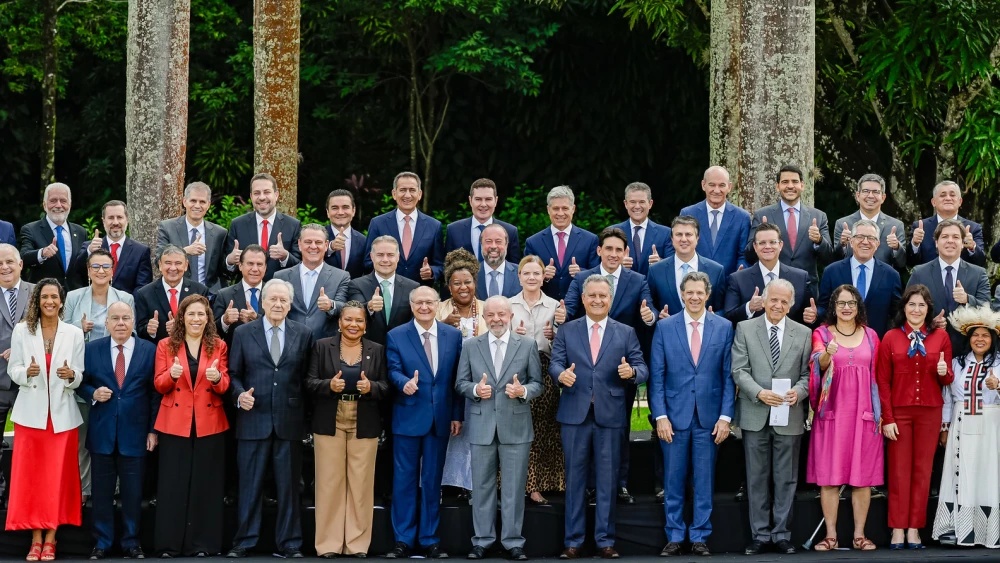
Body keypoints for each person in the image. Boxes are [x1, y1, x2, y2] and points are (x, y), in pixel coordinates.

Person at [550, 275, 646, 559]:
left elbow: (642, 367)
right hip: (574, 415)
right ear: (583, 298)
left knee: (607, 480)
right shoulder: (567, 330)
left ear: (610, 299)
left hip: (610, 415)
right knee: (575, 480)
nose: (597, 300)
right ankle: (573, 541)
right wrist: (561, 375)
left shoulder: (626, 332)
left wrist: (632, 373)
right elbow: (555, 363)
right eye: (592, 295)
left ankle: (605, 540)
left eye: (603, 296)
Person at [562, 226, 653, 504]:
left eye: (618, 250)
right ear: (599, 250)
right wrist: (559, 317)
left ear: (625, 253)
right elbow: (569, 310)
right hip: (586, 367)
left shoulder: (637, 280)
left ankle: (619, 483)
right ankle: (590, 484)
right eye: (608, 249)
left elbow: (647, 312)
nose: (613, 254)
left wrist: (649, 318)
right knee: (585, 428)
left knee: (619, 429)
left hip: (620, 368)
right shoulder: (583, 278)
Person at [226, 279, 315, 558]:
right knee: (250, 486)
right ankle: (244, 541)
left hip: (289, 421)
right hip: (253, 419)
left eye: (283, 300)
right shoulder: (243, 333)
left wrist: (307, 421)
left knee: (289, 487)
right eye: (273, 299)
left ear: (290, 305)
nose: (278, 304)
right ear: (262, 302)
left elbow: (307, 378)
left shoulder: (304, 333)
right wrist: (240, 395)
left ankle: (290, 543)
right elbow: (233, 374)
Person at [649, 271, 733, 557]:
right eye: (690, 292)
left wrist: (726, 417)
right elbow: (657, 376)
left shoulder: (723, 327)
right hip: (673, 418)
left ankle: (699, 536)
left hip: (709, 418)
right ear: (682, 295)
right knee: (673, 480)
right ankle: (674, 536)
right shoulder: (665, 327)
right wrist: (660, 416)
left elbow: (728, 376)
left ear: (707, 295)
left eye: (700, 292)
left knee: (704, 480)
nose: (695, 297)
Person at [455, 296, 542, 561]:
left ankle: (513, 542)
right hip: (482, 425)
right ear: (484, 317)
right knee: (481, 487)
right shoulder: (471, 346)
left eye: (501, 314)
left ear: (510, 316)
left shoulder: (527, 345)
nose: (496, 319)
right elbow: (460, 383)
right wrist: (475, 390)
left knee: (514, 488)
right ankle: (482, 540)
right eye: (491, 315)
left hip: (516, 426)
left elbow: (537, 383)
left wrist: (522, 391)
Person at [5, 279, 85, 561]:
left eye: (54, 297)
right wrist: (26, 372)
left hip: (62, 419)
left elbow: (79, 374)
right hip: (31, 418)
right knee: (32, 481)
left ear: (62, 301)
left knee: (56, 481)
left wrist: (71, 376)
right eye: (44, 297)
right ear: (37, 301)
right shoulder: (22, 330)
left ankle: (50, 539)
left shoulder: (74, 333)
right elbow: (13, 368)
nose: (49, 301)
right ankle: (35, 539)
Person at [730, 279, 811, 555]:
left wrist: (799, 392)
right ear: (763, 301)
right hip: (755, 413)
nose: (778, 305)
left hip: (789, 415)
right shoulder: (745, 328)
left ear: (791, 305)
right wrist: (759, 393)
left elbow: (807, 374)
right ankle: (760, 535)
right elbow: (739, 370)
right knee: (756, 478)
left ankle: (781, 534)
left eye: (784, 301)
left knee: (786, 478)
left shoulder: (804, 333)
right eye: (773, 299)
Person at [384, 286, 463, 559]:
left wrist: (457, 414)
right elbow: (392, 369)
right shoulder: (396, 335)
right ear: (411, 305)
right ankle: (403, 540)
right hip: (407, 417)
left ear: (438, 304)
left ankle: (430, 539)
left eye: (429, 302)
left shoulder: (453, 335)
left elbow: (456, 379)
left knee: (432, 481)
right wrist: (403, 383)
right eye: (419, 303)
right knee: (404, 480)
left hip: (440, 418)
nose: (425, 307)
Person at [305, 300, 389, 557]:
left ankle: (356, 545)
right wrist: (328, 386)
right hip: (329, 419)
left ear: (366, 325)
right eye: (348, 319)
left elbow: (386, 386)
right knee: (328, 483)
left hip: (364, 420)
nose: (354, 324)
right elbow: (309, 382)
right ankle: (328, 545)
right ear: (339, 323)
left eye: (359, 320)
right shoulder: (322, 346)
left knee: (361, 485)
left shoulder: (377, 349)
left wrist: (371, 388)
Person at [152, 294, 230, 557]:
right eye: (191, 314)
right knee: (172, 485)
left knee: (206, 486)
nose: (196, 319)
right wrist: (171, 375)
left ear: (208, 318)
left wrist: (217, 378)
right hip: (175, 423)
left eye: (201, 314)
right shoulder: (165, 345)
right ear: (181, 318)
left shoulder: (218, 345)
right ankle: (169, 545)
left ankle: (203, 545)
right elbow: (158, 384)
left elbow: (225, 386)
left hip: (210, 423)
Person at [876, 284, 953, 549]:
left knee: (922, 471)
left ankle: (914, 529)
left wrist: (943, 371)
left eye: (922, 305)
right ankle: (898, 528)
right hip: (899, 412)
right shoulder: (891, 338)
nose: (917, 310)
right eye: (912, 304)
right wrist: (888, 418)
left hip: (930, 412)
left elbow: (947, 379)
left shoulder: (941, 337)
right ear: (904, 307)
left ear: (928, 309)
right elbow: (882, 381)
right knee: (899, 471)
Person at [806, 284, 882, 551]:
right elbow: (817, 366)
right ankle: (831, 536)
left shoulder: (871, 336)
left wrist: (881, 413)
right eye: (841, 303)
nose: (846, 307)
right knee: (829, 477)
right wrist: (828, 353)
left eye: (851, 303)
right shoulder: (822, 333)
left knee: (862, 479)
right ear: (834, 307)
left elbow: (879, 376)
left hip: (864, 416)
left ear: (858, 306)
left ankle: (860, 535)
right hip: (832, 416)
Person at [79, 302, 158, 560]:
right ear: (107, 323)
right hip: (102, 432)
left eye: (125, 318)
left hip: (136, 433)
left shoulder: (149, 350)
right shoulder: (92, 349)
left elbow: (155, 393)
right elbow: (81, 383)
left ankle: (131, 543)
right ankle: (102, 543)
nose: (121, 323)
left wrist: (152, 430)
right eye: (115, 318)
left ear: (133, 321)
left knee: (133, 493)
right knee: (101, 493)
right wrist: (93, 393)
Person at [63, 248, 136, 506]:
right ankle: (85, 489)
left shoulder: (125, 298)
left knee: (113, 436)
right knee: (84, 436)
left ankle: (112, 489)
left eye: (106, 266)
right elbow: (62, 333)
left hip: (115, 372)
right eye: (95, 266)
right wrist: (78, 328)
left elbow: (132, 333)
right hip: (82, 372)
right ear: (88, 271)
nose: (101, 271)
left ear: (113, 270)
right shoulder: (73, 297)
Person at [932, 304, 1000, 547]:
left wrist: (998, 386)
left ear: (992, 339)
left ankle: (988, 531)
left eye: (985, 335)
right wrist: (944, 427)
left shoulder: (999, 363)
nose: (980, 339)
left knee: (988, 474)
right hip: (961, 425)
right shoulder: (957, 363)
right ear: (969, 338)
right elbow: (948, 398)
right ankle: (957, 528)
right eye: (975, 335)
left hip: (992, 426)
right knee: (961, 473)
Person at [509, 256, 563, 505]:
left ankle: (537, 485)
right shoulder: (508, 304)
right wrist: (513, 337)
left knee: (541, 429)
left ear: (543, 277)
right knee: (517, 429)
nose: (531, 277)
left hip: (544, 370)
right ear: (519, 276)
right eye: (526, 273)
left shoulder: (554, 306)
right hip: (515, 373)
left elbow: (562, 348)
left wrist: (553, 336)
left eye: (536, 273)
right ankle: (515, 484)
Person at [436, 249, 487, 499]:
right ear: (449, 286)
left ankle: (469, 483)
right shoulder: (438, 310)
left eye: (467, 282)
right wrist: (442, 325)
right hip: (446, 382)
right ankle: (444, 482)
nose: (463, 287)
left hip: (478, 383)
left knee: (471, 433)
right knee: (449, 432)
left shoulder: (487, 309)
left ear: (475, 283)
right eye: (457, 283)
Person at [745, 164, 834, 297]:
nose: (790, 186)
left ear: (802, 185)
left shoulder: (818, 216)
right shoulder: (762, 215)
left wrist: (819, 241)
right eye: (785, 182)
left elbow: (829, 258)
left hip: (806, 290)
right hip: (771, 289)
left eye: (795, 182)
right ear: (777, 186)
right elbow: (749, 255)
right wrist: (760, 238)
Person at [907, 219, 990, 350]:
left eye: (956, 237)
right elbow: (905, 309)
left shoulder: (978, 274)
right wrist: (929, 324)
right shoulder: (919, 273)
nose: (950, 241)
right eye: (945, 236)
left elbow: (988, 310)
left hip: (967, 350)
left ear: (962, 243)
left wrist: (967, 299)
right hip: (929, 348)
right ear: (936, 242)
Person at [817, 219, 902, 337]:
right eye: (860, 237)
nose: (865, 242)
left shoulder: (891, 275)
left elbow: (897, 313)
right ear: (851, 242)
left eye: (871, 238)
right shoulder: (831, 272)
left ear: (877, 244)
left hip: (877, 342)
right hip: (839, 341)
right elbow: (823, 308)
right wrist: (815, 313)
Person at [724, 223, 815, 326]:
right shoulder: (738, 279)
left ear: (780, 245)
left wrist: (812, 317)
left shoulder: (800, 278)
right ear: (755, 246)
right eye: (762, 243)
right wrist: (749, 307)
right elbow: (728, 318)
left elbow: (809, 316)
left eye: (772, 242)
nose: (767, 247)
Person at [363, 172, 444, 284]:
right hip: (386, 290)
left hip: (420, 291)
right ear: (394, 194)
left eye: (412, 190)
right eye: (402, 190)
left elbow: (440, 265)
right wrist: (384, 266)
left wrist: (431, 271)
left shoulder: (434, 226)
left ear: (420, 194)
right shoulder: (378, 224)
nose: (407, 195)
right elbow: (367, 262)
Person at [274, 223, 351, 340]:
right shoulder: (281, 277)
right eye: (308, 242)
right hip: (289, 343)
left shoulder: (341, 276)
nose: (313, 246)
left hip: (325, 344)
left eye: (318, 242)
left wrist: (331, 305)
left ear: (326, 245)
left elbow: (344, 307)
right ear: (299, 244)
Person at [523, 186, 599, 300]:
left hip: (579, 305)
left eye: (565, 208)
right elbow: (524, 276)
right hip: (544, 306)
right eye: (555, 208)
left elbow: (598, 274)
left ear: (573, 209)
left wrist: (581, 273)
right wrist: (542, 275)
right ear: (548, 210)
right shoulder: (533, 242)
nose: (560, 213)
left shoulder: (590, 240)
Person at [0, 244, 33, 505]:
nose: (4, 267)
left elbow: (49, 331)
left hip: (30, 383)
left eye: (9, 261)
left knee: (31, 444)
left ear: (21, 264)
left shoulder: (38, 293)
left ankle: (28, 494)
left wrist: (22, 349)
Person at [225, 172, 302, 282]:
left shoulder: (293, 225)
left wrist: (285, 256)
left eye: (266, 192)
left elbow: (300, 265)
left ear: (276, 195)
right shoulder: (237, 224)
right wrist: (230, 261)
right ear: (251, 196)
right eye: (257, 193)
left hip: (279, 289)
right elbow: (226, 270)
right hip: (247, 290)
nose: (261, 197)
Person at [156, 181, 230, 292]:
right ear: (184, 201)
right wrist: (185, 251)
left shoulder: (220, 233)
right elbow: (158, 260)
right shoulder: (168, 227)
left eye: (202, 202)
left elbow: (223, 270)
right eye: (193, 201)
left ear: (208, 204)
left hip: (210, 295)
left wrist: (230, 260)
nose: (197, 206)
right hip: (178, 292)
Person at [679, 166, 751, 278]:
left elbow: (743, 254)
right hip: (694, 283)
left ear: (729, 187)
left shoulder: (742, 217)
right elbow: (681, 248)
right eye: (712, 185)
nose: (717, 190)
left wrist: (739, 274)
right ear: (703, 185)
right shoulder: (688, 214)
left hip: (729, 283)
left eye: (722, 185)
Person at [347, 236, 419, 346]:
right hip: (368, 349)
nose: (385, 260)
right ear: (372, 257)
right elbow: (354, 311)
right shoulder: (357, 285)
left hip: (401, 349)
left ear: (398, 257)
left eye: (390, 255)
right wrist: (369, 306)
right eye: (380, 255)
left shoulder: (412, 287)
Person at [646, 216, 725, 316]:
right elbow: (651, 306)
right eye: (679, 234)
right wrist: (658, 316)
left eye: (688, 234)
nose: (683, 239)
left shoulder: (716, 270)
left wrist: (713, 317)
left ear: (697, 238)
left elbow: (723, 308)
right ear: (672, 238)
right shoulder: (656, 271)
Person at [19, 182, 88, 290]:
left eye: (63, 201)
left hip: (75, 295)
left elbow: (83, 267)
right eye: (53, 201)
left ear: (69, 205)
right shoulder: (30, 229)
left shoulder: (80, 232)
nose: (58, 205)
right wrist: (42, 253)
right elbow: (23, 258)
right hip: (45, 295)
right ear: (44, 205)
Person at [135, 245, 210, 343]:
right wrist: (149, 330)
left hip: (191, 348)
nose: (173, 268)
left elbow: (208, 325)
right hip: (157, 349)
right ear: (160, 265)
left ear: (186, 265)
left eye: (178, 263)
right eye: (168, 263)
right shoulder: (144, 294)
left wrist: (181, 328)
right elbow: (140, 330)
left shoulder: (200, 291)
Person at [831, 174, 907, 270]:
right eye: (866, 191)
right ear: (857, 196)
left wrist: (896, 247)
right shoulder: (843, 224)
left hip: (883, 278)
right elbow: (835, 261)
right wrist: (842, 244)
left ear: (883, 197)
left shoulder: (895, 225)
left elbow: (902, 263)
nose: (870, 196)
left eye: (875, 192)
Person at [908, 180, 986, 267]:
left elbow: (981, 262)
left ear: (960, 201)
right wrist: (915, 244)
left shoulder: (973, 228)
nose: (948, 198)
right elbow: (910, 263)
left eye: (952, 195)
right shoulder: (920, 227)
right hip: (928, 275)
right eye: (943, 195)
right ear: (933, 202)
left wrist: (972, 247)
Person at [445, 178, 522, 263]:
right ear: (470, 201)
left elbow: (514, 267)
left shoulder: (510, 231)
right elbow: (447, 265)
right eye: (478, 199)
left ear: (496, 201)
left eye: (488, 199)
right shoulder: (453, 230)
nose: (483, 204)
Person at [86, 200, 152, 294]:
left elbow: (142, 287)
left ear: (127, 220)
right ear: (103, 221)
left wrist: (127, 303)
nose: (115, 222)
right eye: (111, 218)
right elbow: (77, 274)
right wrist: (89, 251)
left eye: (119, 217)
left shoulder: (141, 251)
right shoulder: (90, 247)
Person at [613, 182, 673, 276]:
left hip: (653, 285)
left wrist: (660, 263)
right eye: (633, 202)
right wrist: (617, 264)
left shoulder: (665, 233)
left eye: (642, 202)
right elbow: (602, 265)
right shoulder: (613, 232)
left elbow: (674, 266)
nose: (637, 206)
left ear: (650, 204)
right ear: (626, 204)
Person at [213, 244, 267, 347]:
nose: (255, 269)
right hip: (235, 353)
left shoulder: (273, 294)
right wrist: (224, 321)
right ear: (240, 266)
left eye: (259, 264)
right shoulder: (224, 295)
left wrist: (257, 318)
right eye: (250, 263)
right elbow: (212, 332)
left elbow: (282, 325)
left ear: (265, 267)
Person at [324, 189, 367, 278]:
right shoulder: (318, 237)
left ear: (353, 211)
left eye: (345, 207)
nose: (340, 212)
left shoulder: (364, 241)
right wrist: (330, 247)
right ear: (328, 212)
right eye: (335, 208)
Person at [476, 224, 522, 300]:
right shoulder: (471, 274)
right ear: (481, 244)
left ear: (506, 244)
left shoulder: (521, 273)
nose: (493, 246)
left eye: (498, 241)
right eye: (488, 241)